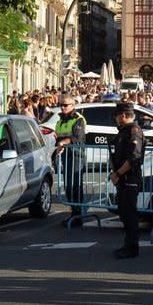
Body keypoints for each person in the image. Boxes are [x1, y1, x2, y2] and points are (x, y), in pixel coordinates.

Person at [109, 102, 145, 259]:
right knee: (124, 212)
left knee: (129, 214)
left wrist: (117, 173)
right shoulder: (123, 131)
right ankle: (127, 245)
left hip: (129, 178)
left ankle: (132, 248)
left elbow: (133, 159)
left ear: (123, 115)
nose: (115, 119)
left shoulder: (134, 131)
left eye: (117, 116)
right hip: (122, 178)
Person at [54, 93, 87, 226]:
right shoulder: (60, 120)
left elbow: (77, 138)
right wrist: (59, 144)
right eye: (61, 105)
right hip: (66, 156)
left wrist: (63, 142)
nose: (62, 107)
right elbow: (58, 137)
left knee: (75, 186)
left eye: (65, 105)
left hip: (76, 155)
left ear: (73, 105)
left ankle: (77, 216)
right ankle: (74, 213)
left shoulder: (78, 119)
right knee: (68, 187)